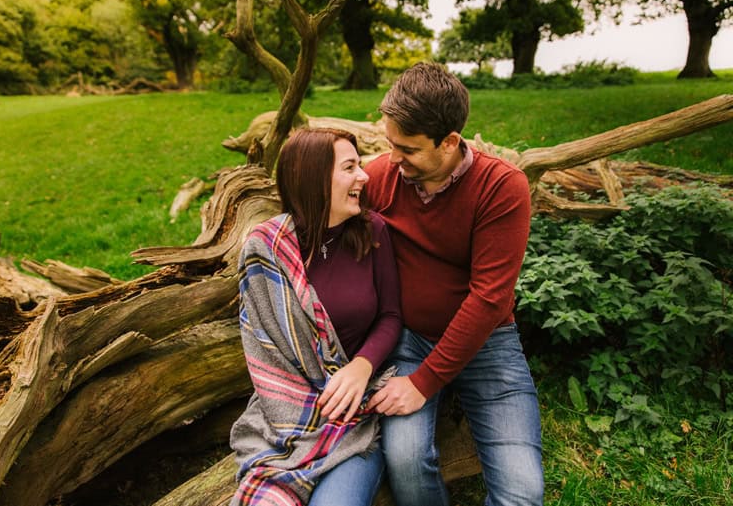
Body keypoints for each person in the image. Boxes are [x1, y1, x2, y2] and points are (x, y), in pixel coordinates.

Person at [365, 62, 544, 506]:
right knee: (405, 461)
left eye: (407, 149)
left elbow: (489, 299)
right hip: (408, 341)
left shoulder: (501, 187)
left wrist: (424, 383)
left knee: (522, 493)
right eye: (390, 144)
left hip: (489, 345)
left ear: (449, 142)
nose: (393, 159)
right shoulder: (383, 178)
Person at [229, 128, 402, 506]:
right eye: (350, 168)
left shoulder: (372, 230)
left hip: (356, 415)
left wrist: (361, 367)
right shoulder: (267, 249)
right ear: (315, 178)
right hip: (285, 411)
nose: (364, 176)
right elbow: (263, 348)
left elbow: (391, 316)